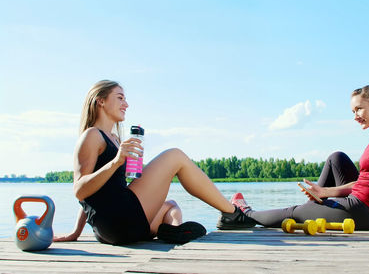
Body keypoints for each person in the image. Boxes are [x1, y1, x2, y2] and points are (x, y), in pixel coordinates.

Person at [230, 85, 369, 231]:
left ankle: (243, 215)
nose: (356, 116)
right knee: (336, 157)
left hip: (361, 213)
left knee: (293, 212)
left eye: (359, 109)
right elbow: (365, 182)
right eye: (353, 112)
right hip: (358, 206)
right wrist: (326, 191)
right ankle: (317, 202)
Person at [54, 80, 255, 245]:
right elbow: (80, 190)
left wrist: (75, 232)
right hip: (118, 221)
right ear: (101, 101)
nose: (126, 104)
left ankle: (174, 230)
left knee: (171, 206)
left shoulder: (114, 139)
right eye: (120, 98)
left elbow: (95, 196)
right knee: (175, 156)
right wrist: (116, 162)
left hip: (115, 230)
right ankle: (233, 215)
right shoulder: (92, 136)